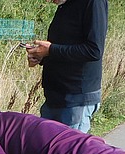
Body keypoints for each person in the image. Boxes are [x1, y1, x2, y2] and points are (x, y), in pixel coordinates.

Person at [25, 0, 108, 133]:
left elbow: (94, 51)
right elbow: (64, 47)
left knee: (70, 152)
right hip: (55, 97)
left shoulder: (93, 3)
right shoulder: (65, 5)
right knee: (49, 151)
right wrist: (41, 56)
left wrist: (51, 50)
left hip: (76, 98)